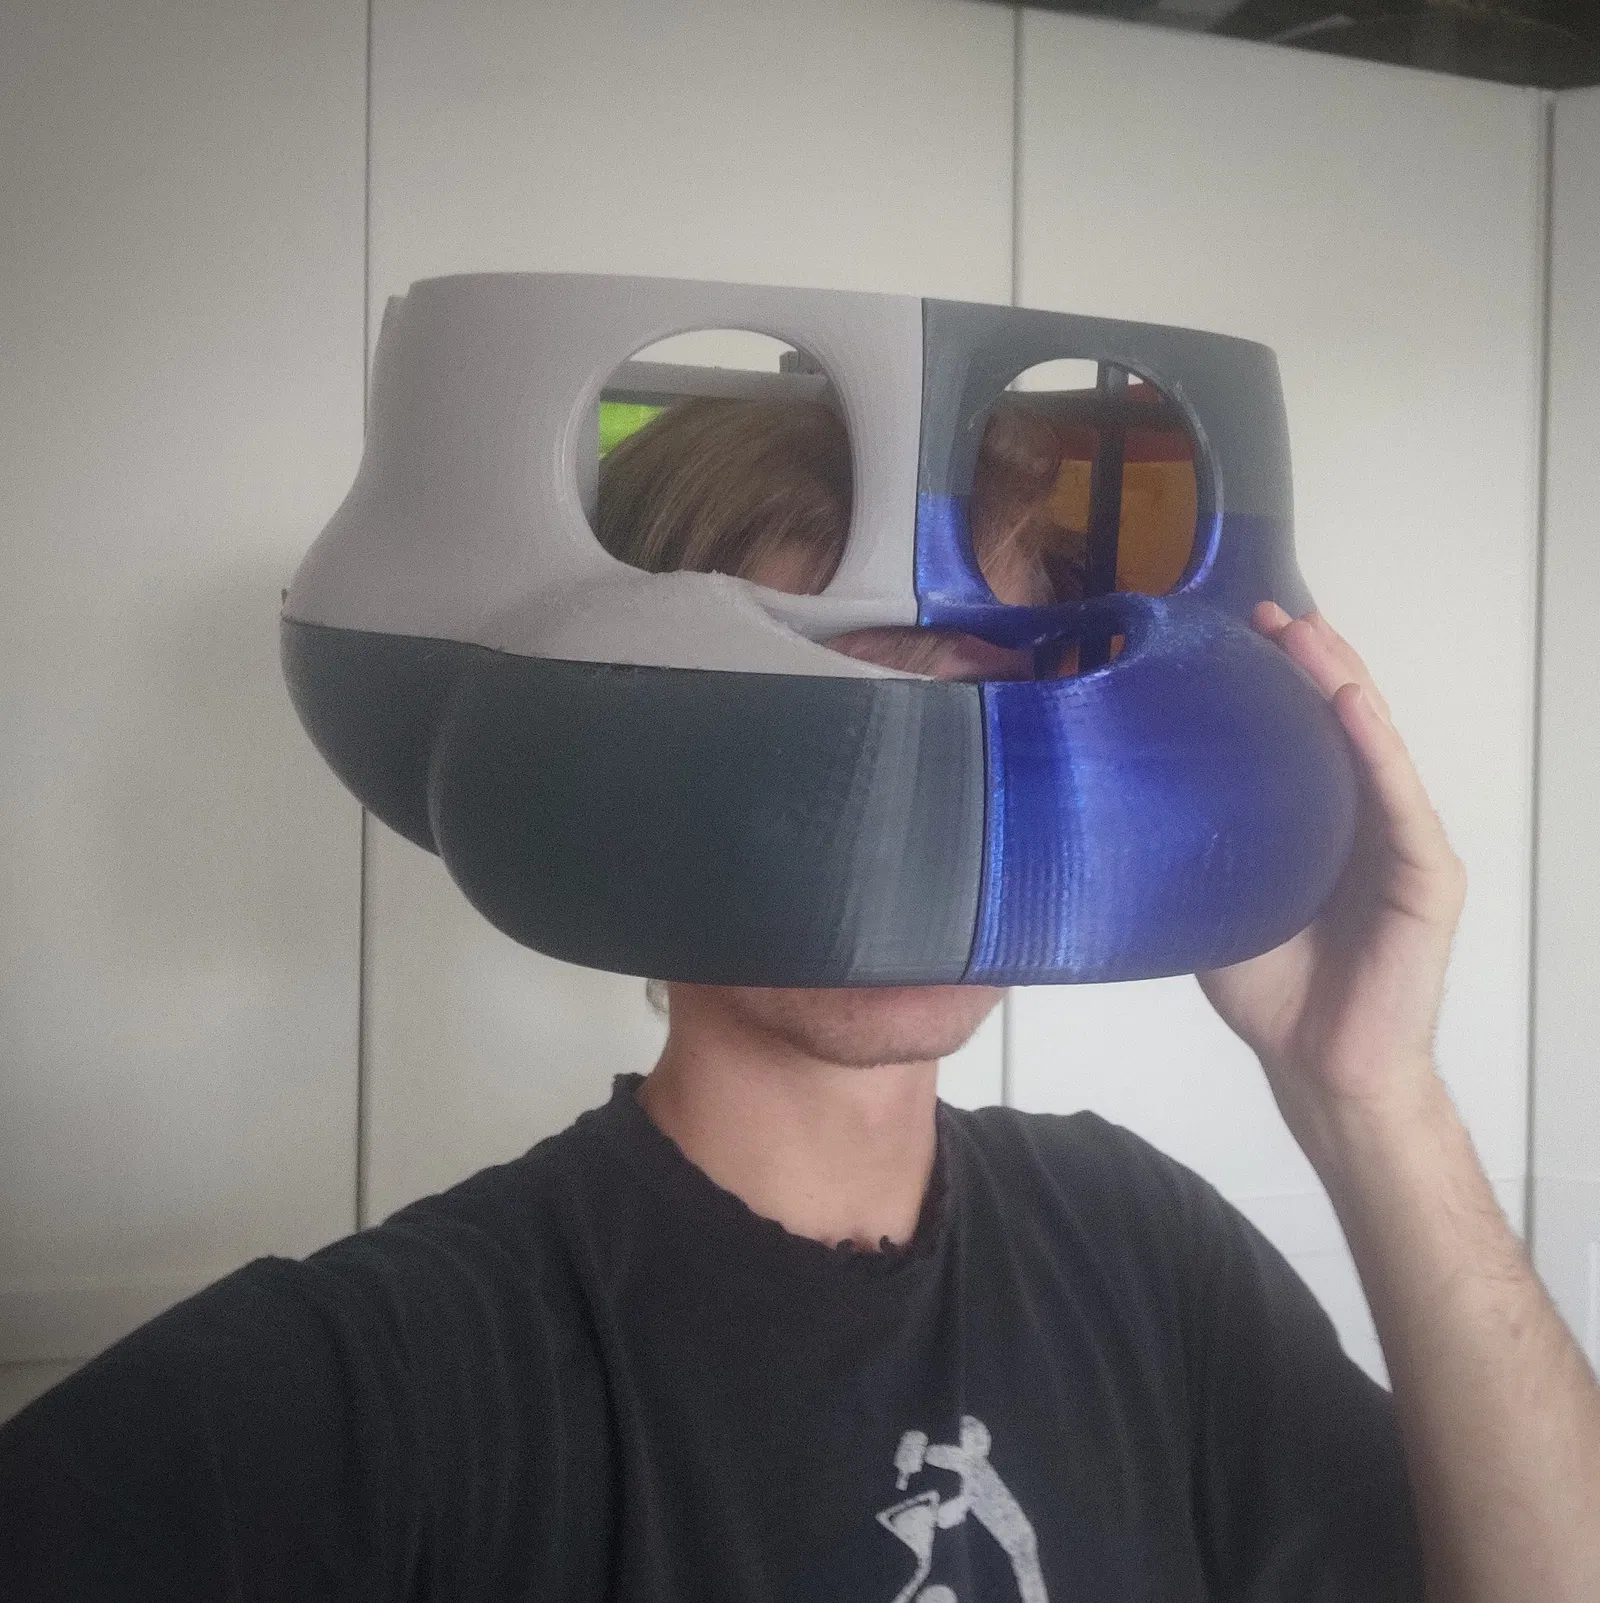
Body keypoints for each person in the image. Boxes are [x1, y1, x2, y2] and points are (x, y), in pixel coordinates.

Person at [2, 397, 1597, 1601]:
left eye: (979, 709)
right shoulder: (404, 1377)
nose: (919, 821)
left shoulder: (1142, 1246)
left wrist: (1371, 1092)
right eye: (832, 713)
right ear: (635, 769)